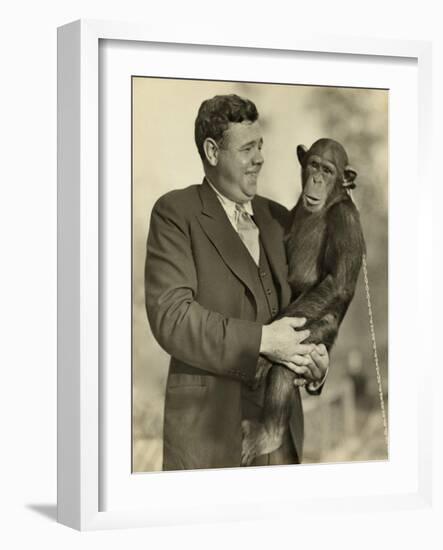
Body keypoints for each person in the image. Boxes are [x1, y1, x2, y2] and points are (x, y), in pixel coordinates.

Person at [145, 94, 329, 470]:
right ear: (212, 152)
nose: (259, 157)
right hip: (207, 442)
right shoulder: (174, 213)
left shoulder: (279, 217)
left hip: (280, 440)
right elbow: (173, 320)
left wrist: (316, 361)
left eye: (260, 146)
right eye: (247, 148)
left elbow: (305, 309)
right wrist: (265, 340)